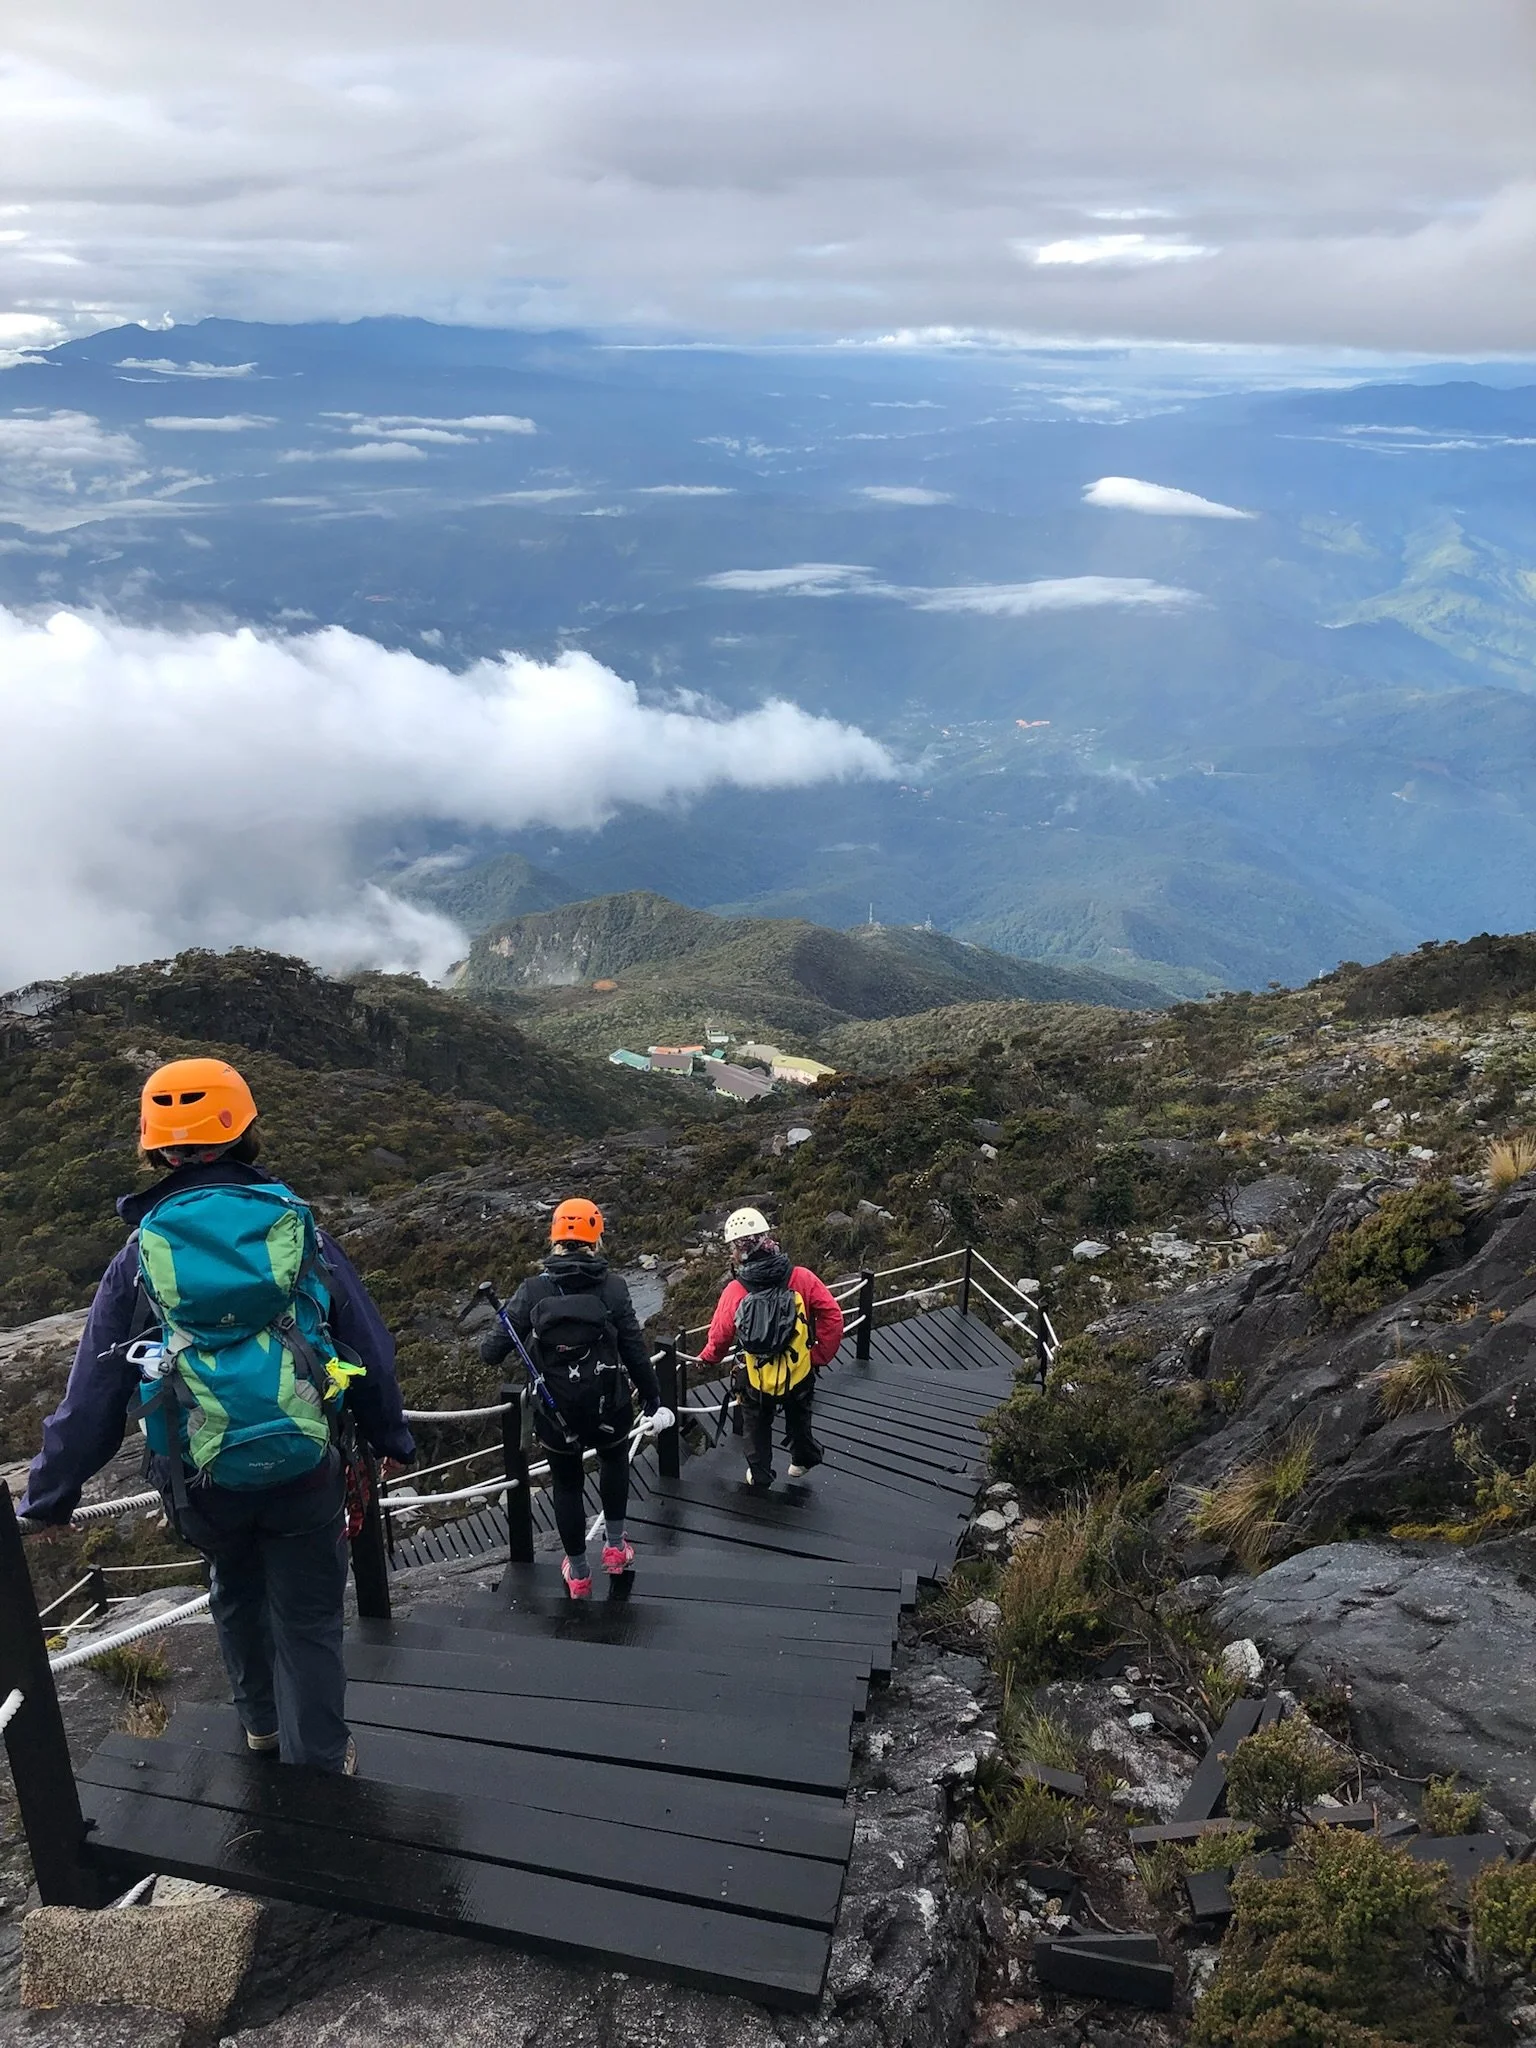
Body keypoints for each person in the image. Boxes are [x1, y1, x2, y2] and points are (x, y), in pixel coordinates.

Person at [18, 1057, 415, 1776]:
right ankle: (322, 1760)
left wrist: (50, 1496)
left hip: (202, 1476)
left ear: (157, 1146)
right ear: (245, 1129)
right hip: (306, 1467)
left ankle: (261, 1730)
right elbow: (366, 1351)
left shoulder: (140, 1254)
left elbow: (96, 1390)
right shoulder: (300, 1233)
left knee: (234, 1591)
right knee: (310, 1618)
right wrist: (390, 1437)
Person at [480, 1199, 671, 1598]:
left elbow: (490, 1352)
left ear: (554, 1239)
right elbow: (635, 1350)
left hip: (555, 1411)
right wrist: (653, 1400)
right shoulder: (614, 1288)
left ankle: (579, 1574)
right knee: (615, 1464)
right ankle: (616, 1550)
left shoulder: (532, 1290)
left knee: (566, 1486)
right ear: (595, 1239)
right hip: (610, 1406)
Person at [697, 1208, 844, 1490]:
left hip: (756, 1376)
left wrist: (708, 1358)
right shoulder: (801, 1277)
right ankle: (802, 1459)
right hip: (798, 1369)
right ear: (766, 1238)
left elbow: (720, 1336)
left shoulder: (736, 1290)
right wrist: (817, 1356)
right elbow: (832, 1316)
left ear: (739, 1251)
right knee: (799, 1415)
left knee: (756, 1424)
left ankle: (760, 1473)